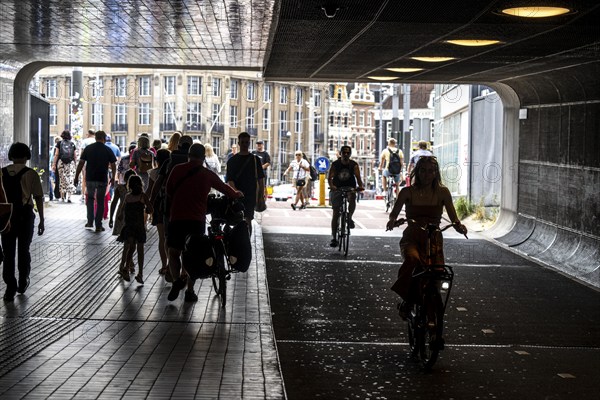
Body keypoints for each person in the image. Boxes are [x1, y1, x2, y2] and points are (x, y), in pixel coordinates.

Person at [386, 156, 467, 319]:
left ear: (436, 173)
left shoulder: (443, 192)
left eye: (431, 171)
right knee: (413, 260)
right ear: (417, 172)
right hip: (412, 237)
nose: (427, 174)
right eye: (423, 170)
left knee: (436, 273)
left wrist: (459, 226)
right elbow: (393, 214)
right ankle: (407, 300)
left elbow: (453, 217)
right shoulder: (407, 192)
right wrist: (393, 221)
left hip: (433, 238)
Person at [166, 143, 243, 302]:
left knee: (173, 253)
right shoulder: (207, 174)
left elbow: (168, 190)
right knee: (192, 255)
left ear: (189, 155)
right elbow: (224, 188)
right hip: (196, 220)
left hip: (177, 218)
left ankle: (175, 281)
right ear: (203, 157)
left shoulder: (177, 170)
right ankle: (190, 290)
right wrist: (237, 194)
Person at [1, 143, 45, 301]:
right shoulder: (31, 174)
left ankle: (10, 287)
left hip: (6, 217)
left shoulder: (1, 173)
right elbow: (38, 197)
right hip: (25, 216)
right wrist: (42, 220)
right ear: (27, 156)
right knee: (23, 249)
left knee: (8, 253)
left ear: (11, 156)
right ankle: (23, 280)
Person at [74, 130, 117, 232]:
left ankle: (89, 221)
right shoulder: (107, 149)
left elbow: (81, 163)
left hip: (90, 178)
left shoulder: (89, 148)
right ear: (104, 138)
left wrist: (76, 176)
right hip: (102, 178)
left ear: (96, 137)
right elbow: (114, 164)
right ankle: (98, 224)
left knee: (90, 199)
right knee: (100, 201)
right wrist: (113, 177)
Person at [116, 175, 153, 284]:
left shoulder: (127, 197)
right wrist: (146, 208)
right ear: (141, 184)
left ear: (129, 186)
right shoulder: (143, 196)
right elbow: (151, 209)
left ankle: (126, 268)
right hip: (139, 227)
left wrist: (121, 216)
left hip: (129, 227)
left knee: (130, 248)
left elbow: (121, 213)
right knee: (140, 250)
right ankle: (140, 273)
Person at [226, 132, 266, 234]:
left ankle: (247, 243)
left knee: (248, 220)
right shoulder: (232, 161)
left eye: (247, 142)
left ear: (249, 143)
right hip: (236, 196)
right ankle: (243, 243)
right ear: (238, 143)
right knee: (238, 221)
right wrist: (235, 191)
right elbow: (229, 180)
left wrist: (261, 195)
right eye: (243, 142)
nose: (244, 144)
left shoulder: (255, 160)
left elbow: (261, 180)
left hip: (250, 195)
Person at [327, 145, 364, 247]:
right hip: (337, 188)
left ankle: (350, 217)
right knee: (336, 213)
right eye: (344, 153)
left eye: (348, 153)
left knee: (352, 198)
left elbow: (358, 177)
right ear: (341, 153)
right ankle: (334, 237)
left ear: (350, 154)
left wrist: (360, 186)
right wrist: (332, 186)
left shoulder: (354, 165)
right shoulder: (335, 164)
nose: (346, 155)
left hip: (349, 187)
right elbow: (330, 178)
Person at [146, 149, 170, 275]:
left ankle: (164, 265)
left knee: (162, 237)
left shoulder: (153, 173)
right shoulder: (172, 172)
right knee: (171, 237)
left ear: (156, 160)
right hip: (171, 206)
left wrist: (146, 203)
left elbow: (150, 190)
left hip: (158, 207)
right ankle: (175, 265)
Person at [109, 169, 137, 237]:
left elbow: (114, 203)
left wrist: (111, 218)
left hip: (122, 213)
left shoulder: (120, 188)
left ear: (125, 178)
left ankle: (126, 247)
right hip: (134, 213)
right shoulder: (137, 189)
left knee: (124, 236)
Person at [51, 130, 77, 203]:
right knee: (70, 179)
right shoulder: (72, 144)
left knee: (62, 180)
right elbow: (75, 156)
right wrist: (75, 164)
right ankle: (69, 197)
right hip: (70, 163)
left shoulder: (59, 143)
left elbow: (56, 154)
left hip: (61, 163)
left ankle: (62, 197)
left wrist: (54, 164)